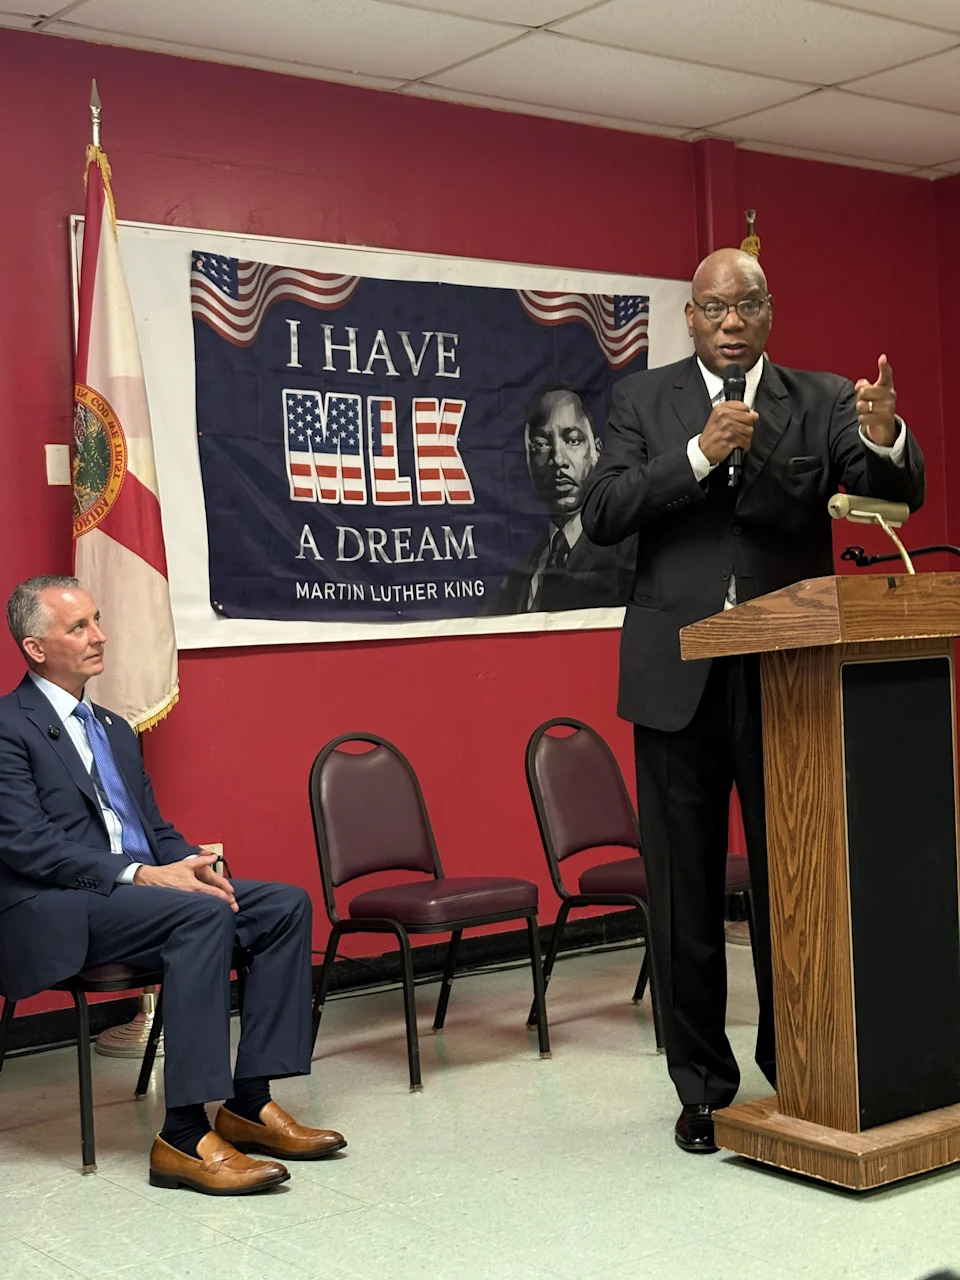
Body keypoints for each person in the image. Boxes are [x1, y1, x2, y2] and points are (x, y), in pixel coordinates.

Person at [581, 248, 924, 1154]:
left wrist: (886, 438)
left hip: (792, 681)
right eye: (714, 309)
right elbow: (604, 511)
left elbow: (891, 488)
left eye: (748, 306)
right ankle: (702, 1088)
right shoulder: (643, 405)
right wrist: (701, 453)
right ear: (689, 318)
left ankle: (800, 1066)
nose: (731, 323)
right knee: (686, 898)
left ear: (770, 314)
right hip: (675, 681)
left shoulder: (816, 400)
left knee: (796, 887)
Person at [0, 575, 346, 1193]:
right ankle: (182, 1136)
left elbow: (152, 829)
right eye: (78, 627)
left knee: (281, 905)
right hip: (59, 906)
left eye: (98, 620)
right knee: (200, 916)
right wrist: (144, 874)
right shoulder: (8, 727)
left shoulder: (113, 728)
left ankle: (247, 1102)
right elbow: (26, 846)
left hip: (136, 898)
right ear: (34, 648)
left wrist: (189, 864)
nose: (99, 636)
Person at [485, 384, 635, 614]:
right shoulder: (519, 576)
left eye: (573, 440)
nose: (558, 458)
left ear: (596, 453)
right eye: (542, 444)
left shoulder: (627, 554)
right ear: (527, 460)